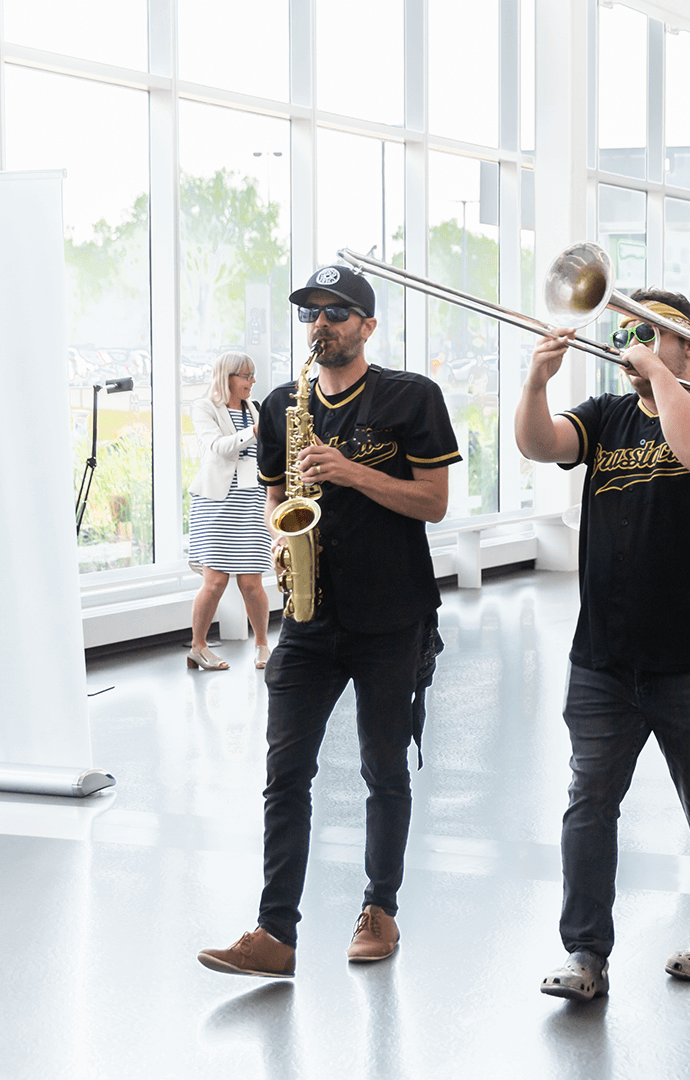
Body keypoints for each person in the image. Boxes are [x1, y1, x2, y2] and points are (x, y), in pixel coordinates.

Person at [199, 265, 460, 979]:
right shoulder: (282, 404)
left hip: (391, 615)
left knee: (384, 770)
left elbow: (433, 503)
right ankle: (274, 932)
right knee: (285, 774)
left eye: (339, 311)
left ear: (368, 326)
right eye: (314, 312)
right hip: (310, 619)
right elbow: (276, 499)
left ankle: (380, 910)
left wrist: (350, 472)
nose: (324, 323)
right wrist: (284, 539)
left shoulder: (413, 397)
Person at [516, 290, 690, 1003]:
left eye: (654, 334)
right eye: (629, 330)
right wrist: (537, 380)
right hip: (603, 655)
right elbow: (539, 443)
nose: (632, 342)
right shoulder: (604, 417)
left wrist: (658, 373)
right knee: (588, 800)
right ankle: (585, 953)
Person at [186, 351, 272, 671]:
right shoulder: (204, 407)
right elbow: (218, 447)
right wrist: (254, 432)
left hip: (252, 501)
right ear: (228, 377)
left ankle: (262, 645)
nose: (252, 381)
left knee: (252, 582)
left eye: (252, 375)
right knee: (215, 582)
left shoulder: (256, 409)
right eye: (246, 376)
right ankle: (198, 647)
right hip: (217, 501)